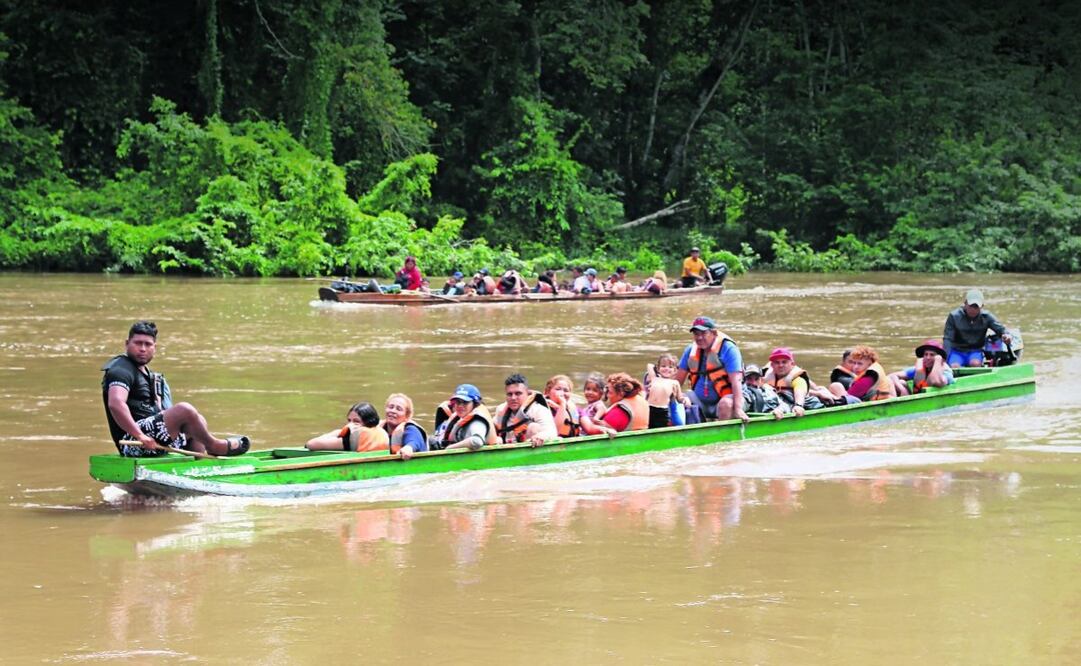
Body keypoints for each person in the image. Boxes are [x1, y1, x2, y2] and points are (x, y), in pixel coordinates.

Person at [102, 320, 250, 457]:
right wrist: (140, 436)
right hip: (134, 442)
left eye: (148, 344)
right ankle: (214, 446)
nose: (142, 349)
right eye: (138, 343)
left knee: (198, 421)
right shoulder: (120, 370)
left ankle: (198, 467)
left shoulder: (149, 375)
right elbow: (116, 404)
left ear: (155, 347)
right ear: (127, 344)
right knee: (184, 410)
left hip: (156, 439)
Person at [674, 316, 750, 423]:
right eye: (696, 334)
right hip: (701, 401)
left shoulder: (729, 349)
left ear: (714, 333)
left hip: (729, 399)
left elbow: (736, 381)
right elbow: (676, 383)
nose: (699, 338)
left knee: (726, 404)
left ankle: (724, 437)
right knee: (682, 399)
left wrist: (738, 409)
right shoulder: (690, 350)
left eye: (704, 333)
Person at [943, 289, 1010, 368]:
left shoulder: (987, 317)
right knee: (954, 366)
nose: (973, 309)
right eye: (971, 306)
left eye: (976, 307)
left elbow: (1001, 329)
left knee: (975, 364)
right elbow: (948, 339)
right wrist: (945, 356)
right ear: (965, 303)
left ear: (981, 306)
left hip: (976, 350)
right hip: (957, 351)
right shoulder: (954, 316)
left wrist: (1006, 335)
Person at [492, 374, 558, 446]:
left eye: (518, 393)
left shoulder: (539, 409)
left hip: (531, 447)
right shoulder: (500, 409)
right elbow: (491, 427)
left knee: (533, 427)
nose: (513, 398)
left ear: (527, 393)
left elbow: (551, 432)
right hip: (507, 447)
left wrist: (541, 436)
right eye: (509, 394)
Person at [430, 384, 499, 451]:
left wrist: (449, 449)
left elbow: (477, 441)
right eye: (458, 402)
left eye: (465, 402)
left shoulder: (477, 422)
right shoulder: (459, 418)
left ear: (475, 403)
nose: (460, 406)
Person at [762, 347, 824, 417]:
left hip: (796, 403)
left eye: (784, 362)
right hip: (775, 402)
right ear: (772, 365)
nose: (780, 365)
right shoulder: (765, 375)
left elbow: (800, 391)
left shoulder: (798, 378)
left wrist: (798, 405)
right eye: (777, 362)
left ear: (792, 364)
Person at [823, 345, 896, 403]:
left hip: (873, 403)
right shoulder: (874, 368)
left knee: (835, 386)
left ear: (869, 363)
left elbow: (852, 394)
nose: (855, 367)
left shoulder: (870, 375)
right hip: (873, 399)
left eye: (859, 364)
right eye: (854, 363)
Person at [306, 402, 390, 452]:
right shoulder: (381, 432)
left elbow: (310, 444)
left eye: (356, 421)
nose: (350, 425)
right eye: (349, 421)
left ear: (367, 422)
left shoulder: (354, 436)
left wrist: (337, 432)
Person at [889, 339, 955, 397]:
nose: (928, 358)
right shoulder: (919, 369)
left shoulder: (946, 373)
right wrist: (901, 389)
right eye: (926, 354)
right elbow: (892, 375)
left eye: (932, 355)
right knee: (901, 382)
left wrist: (938, 361)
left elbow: (936, 382)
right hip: (914, 400)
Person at [644, 354, 689, 428]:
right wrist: (657, 368)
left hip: (662, 411)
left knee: (661, 428)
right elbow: (649, 365)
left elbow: (679, 398)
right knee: (648, 427)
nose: (667, 369)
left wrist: (685, 400)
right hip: (649, 408)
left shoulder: (674, 383)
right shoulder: (654, 378)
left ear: (675, 370)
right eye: (663, 366)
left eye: (670, 367)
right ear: (658, 368)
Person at [381, 393, 429, 460]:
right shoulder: (379, 429)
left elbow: (414, 441)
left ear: (407, 416)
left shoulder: (411, 429)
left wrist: (408, 448)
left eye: (398, 409)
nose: (393, 411)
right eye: (391, 407)